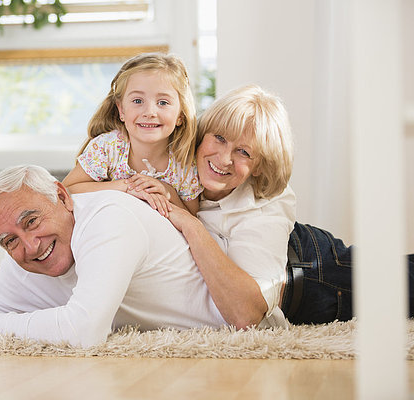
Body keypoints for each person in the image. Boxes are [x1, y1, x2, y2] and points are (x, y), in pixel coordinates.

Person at [163, 84, 414, 327]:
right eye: (219, 138)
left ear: (259, 166)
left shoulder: (268, 202)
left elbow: (245, 314)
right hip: (297, 250)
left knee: (401, 282)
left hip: (316, 273)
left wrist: (191, 224)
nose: (224, 158)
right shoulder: (176, 170)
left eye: (244, 152)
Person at [0, 164, 240, 348]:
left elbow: (84, 331)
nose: (31, 246)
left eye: (32, 221)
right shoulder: (27, 255)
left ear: (63, 197)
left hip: (273, 289)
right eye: (9, 241)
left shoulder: (108, 218)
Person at [62, 53, 202, 216]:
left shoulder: (184, 164)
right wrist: (126, 187)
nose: (149, 112)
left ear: (180, 115)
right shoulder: (108, 147)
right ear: (121, 110)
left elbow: (193, 220)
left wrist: (168, 192)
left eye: (163, 102)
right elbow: (67, 190)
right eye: (137, 101)